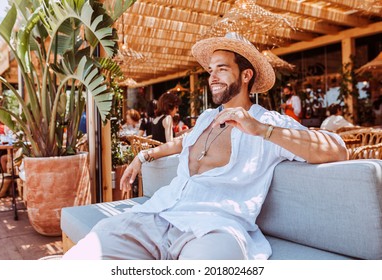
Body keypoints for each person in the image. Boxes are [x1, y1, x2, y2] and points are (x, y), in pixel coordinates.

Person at [62, 32, 347, 260]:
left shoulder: (267, 122)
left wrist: (261, 130)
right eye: (210, 70)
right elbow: (182, 142)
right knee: (81, 261)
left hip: (214, 228)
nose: (211, 76)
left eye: (222, 69)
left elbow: (337, 148)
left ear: (246, 76)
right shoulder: (207, 118)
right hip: (157, 215)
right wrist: (144, 155)